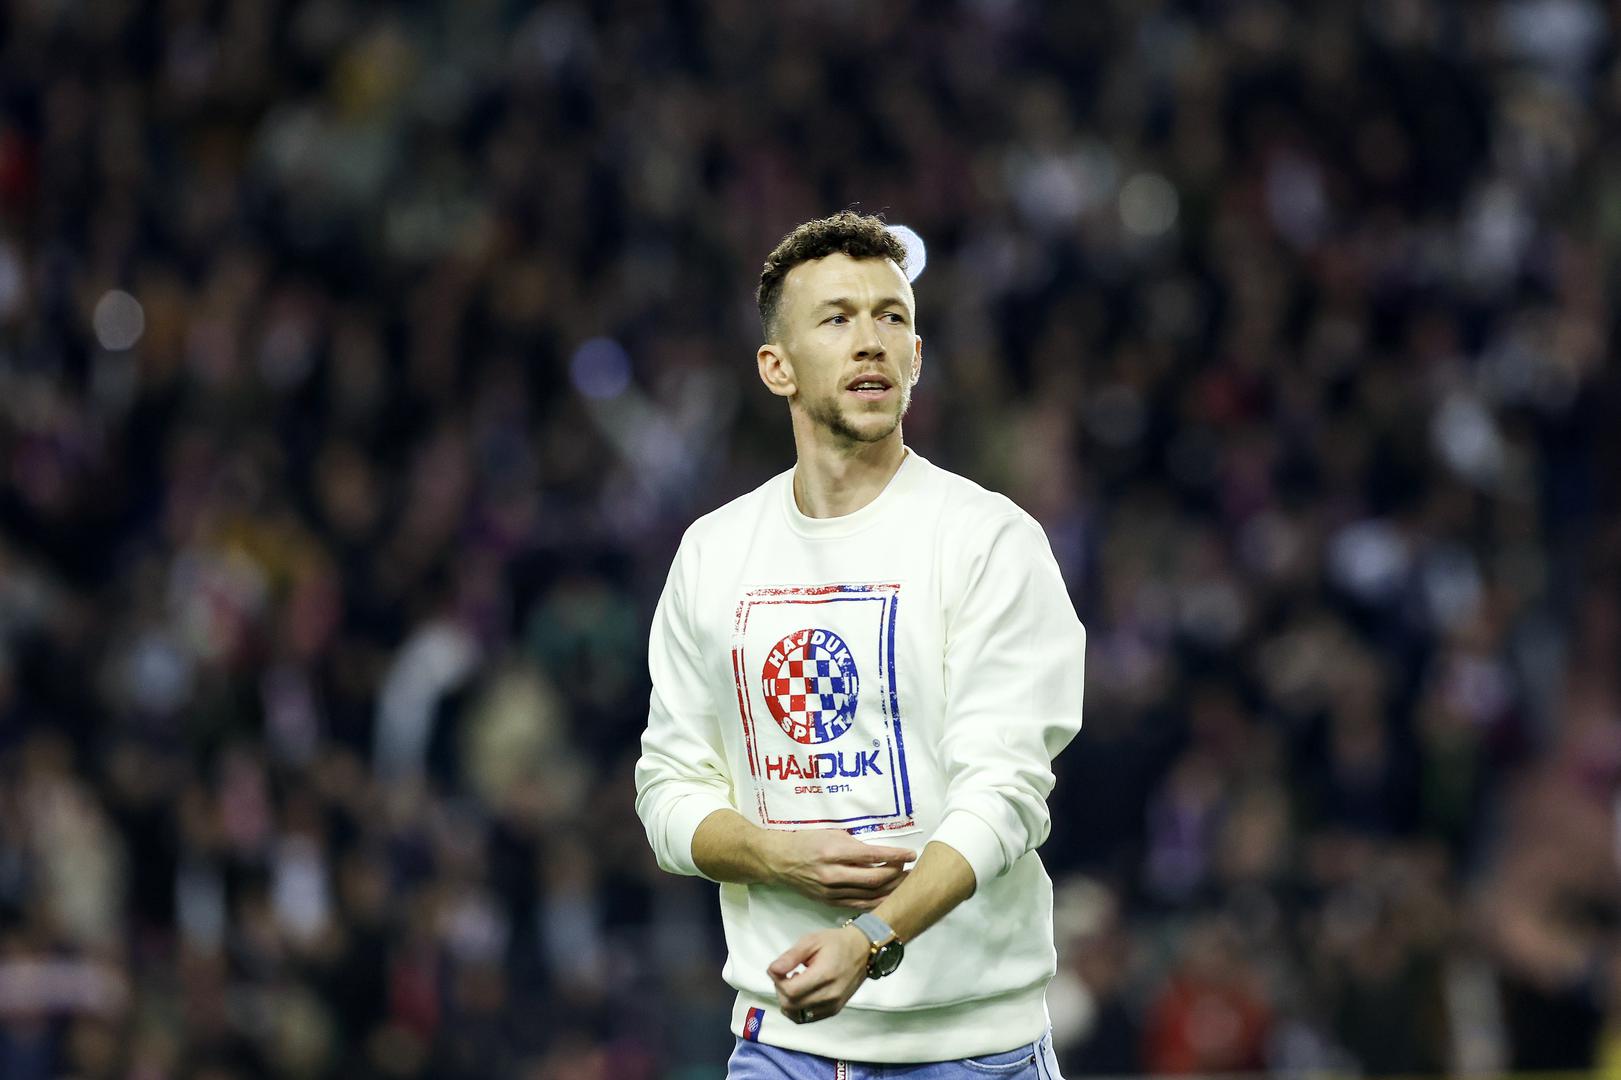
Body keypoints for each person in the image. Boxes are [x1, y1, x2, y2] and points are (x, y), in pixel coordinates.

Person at [634, 210, 1084, 1078]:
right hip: (781, 1046)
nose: (870, 339)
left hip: (971, 1050)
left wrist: (871, 936)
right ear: (776, 367)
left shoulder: (989, 541)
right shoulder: (713, 553)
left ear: (915, 357)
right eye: (837, 319)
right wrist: (774, 854)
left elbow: (1006, 795)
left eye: (891, 317)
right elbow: (667, 791)